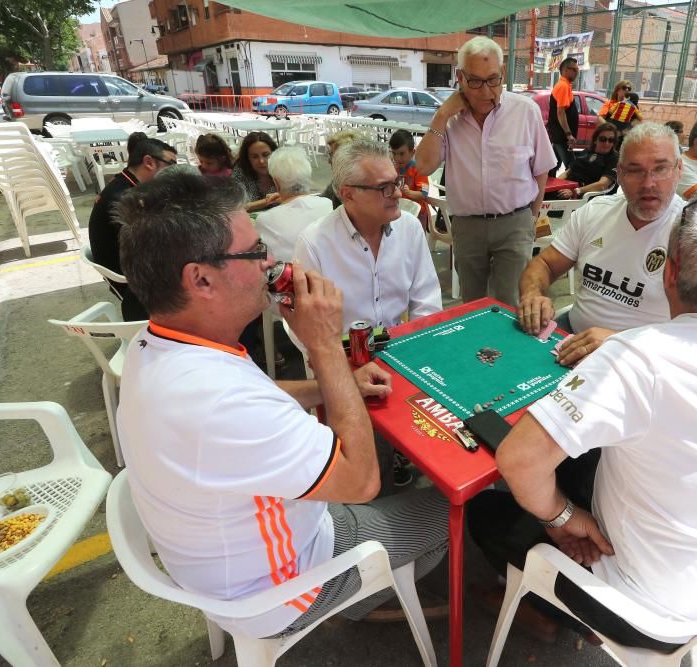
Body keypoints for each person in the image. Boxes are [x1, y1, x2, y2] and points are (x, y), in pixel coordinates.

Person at [469, 192, 697, 647]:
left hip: (643, 612)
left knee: (486, 509)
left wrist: (564, 518)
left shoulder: (634, 356)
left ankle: (546, 610)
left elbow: (520, 460)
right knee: (584, 464)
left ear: (669, 271)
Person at [116, 171, 449, 641]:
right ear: (202, 278)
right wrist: (325, 348)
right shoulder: (217, 399)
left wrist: (331, 385)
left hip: (223, 561)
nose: (269, 261)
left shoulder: (156, 344)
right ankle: (359, 599)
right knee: (452, 507)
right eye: (254, 252)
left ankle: (375, 584)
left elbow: (257, 401)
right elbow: (362, 482)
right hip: (281, 591)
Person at [295, 139, 442, 489]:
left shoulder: (408, 228)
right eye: (384, 187)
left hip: (400, 350)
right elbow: (304, 327)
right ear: (348, 194)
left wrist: (425, 360)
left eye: (397, 181)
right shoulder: (315, 242)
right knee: (372, 475)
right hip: (342, 361)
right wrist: (339, 370)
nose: (397, 193)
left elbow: (426, 303)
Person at [518, 122, 684, 368]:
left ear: (679, 170)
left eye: (660, 169)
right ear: (619, 173)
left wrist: (621, 343)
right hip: (568, 339)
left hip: (642, 361)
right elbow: (544, 263)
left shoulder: (694, 232)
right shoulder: (595, 212)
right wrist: (533, 294)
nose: (648, 183)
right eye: (635, 170)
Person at [414, 36, 554, 307]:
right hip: (467, 226)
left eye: (493, 80)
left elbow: (541, 170)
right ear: (460, 77)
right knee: (472, 305)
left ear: (502, 74)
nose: (486, 91)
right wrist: (442, 116)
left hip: (514, 223)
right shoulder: (449, 118)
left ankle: (508, 351)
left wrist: (530, 219)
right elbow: (423, 166)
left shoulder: (525, 111)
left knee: (511, 303)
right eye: (475, 81)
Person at [87, 137, 177, 321]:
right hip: (132, 284)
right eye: (171, 165)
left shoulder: (124, 184)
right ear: (149, 162)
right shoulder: (126, 198)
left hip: (126, 268)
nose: (174, 172)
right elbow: (151, 249)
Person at [254, 146, 332, 263]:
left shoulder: (265, 220)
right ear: (308, 175)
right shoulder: (327, 204)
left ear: (276, 182)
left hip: (292, 278)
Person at [551, 123, 618, 200]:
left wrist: (576, 191)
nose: (607, 143)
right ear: (595, 140)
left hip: (582, 195)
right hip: (567, 187)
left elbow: (603, 184)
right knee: (542, 192)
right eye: (603, 139)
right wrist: (554, 185)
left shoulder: (613, 158)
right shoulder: (587, 151)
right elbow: (568, 172)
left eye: (611, 140)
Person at [389, 129, 430, 228]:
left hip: (418, 214)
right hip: (400, 211)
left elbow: (424, 194)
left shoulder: (420, 169)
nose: (397, 158)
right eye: (394, 153)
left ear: (412, 152)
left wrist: (409, 193)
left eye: (402, 154)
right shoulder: (393, 169)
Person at [233, 131, 280, 212]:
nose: (261, 161)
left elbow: (299, 196)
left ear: (274, 153)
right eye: (254, 157)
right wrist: (268, 200)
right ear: (247, 159)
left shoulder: (285, 170)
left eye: (265, 155)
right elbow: (234, 207)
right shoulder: (240, 172)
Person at [548, 57, 580, 173]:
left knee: (553, 165)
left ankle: (548, 189)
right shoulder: (563, 86)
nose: (577, 72)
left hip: (560, 136)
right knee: (571, 168)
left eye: (577, 70)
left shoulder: (565, 85)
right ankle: (569, 190)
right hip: (562, 137)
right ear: (565, 70)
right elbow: (560, 112)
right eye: (574, 70)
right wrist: (568, 134)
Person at [321, 129, 364, 209]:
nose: (329, 161)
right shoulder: (339, 181)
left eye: (333, 156)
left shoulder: (363, 188)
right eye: (329, 155)